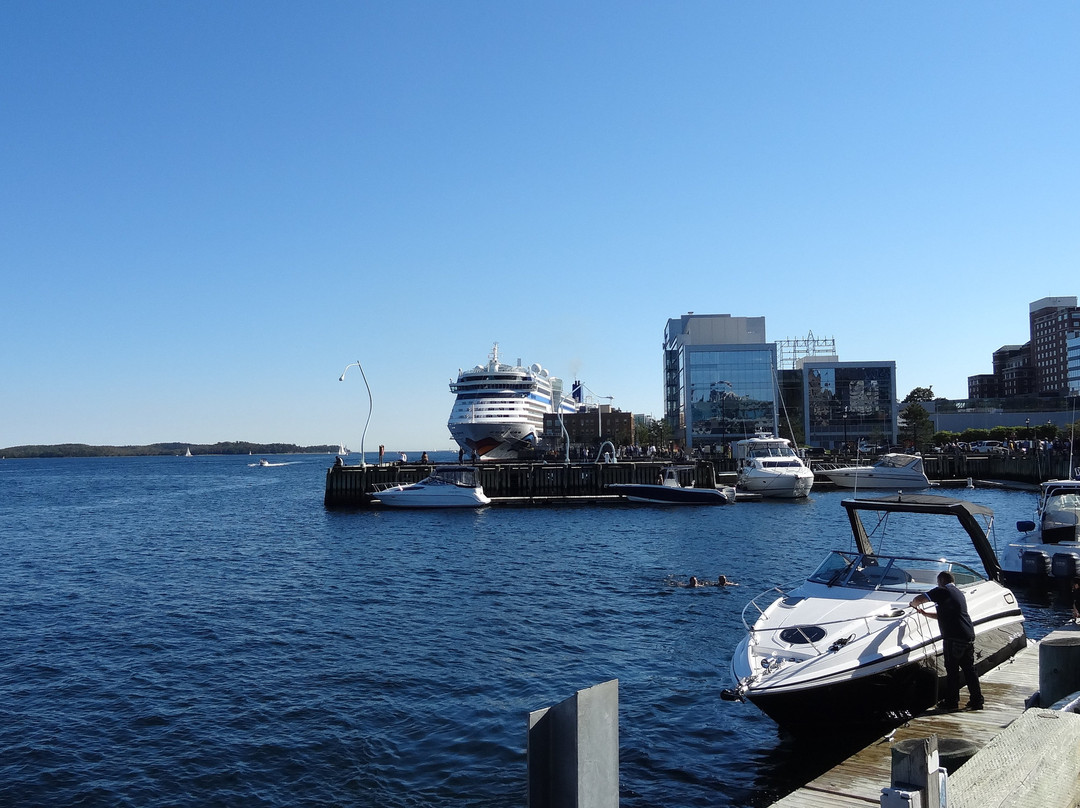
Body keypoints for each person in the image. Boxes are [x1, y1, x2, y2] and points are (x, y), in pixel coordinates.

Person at [910, 571, 983, 711]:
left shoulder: (943, 590)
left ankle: (952, 701)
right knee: (969, 670)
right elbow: (947, 614)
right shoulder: (958, 593)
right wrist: (926, 614)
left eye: (938, 582)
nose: (937, 584)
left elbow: (919, 599)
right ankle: (977, 700)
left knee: (952, 670)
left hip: (953, 638)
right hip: (967, 635)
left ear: (942, 580)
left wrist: (913, 605)